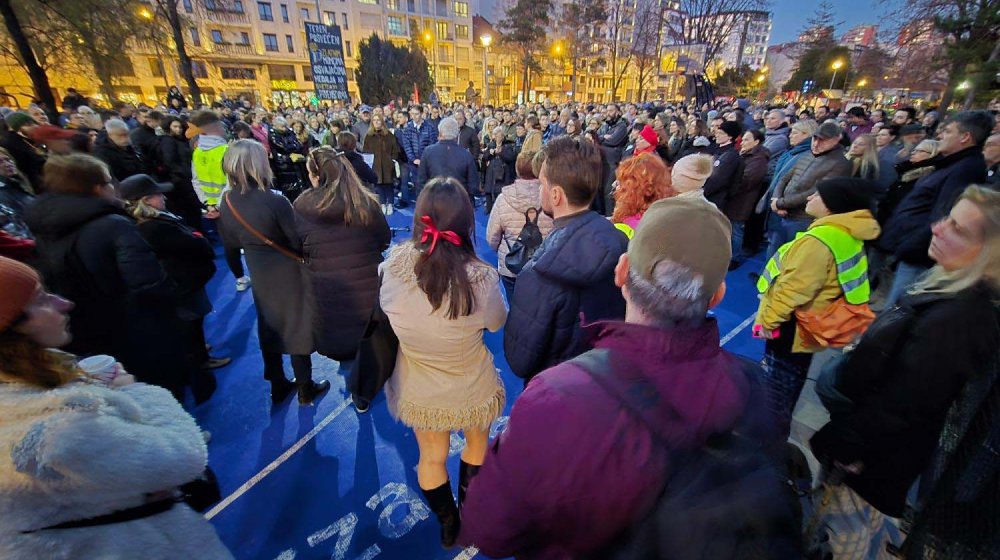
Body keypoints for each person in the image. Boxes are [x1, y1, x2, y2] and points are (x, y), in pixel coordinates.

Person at [460, 196, 791, 558]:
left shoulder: (556, 398)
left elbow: (489, 529)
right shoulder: (753, 386)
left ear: (621, 272)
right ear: (716, 297)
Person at [810, 185, 1000, 557]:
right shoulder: (948, 288)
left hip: (869, 455)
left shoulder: (959, 319)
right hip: (871, 439)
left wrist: (850, 443)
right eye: (947, 218)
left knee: (841, 533)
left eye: (958, 229)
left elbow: (907, 402)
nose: (938, 228)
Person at [0, 257, 233, 559]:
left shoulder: (20, 396)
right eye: (41, 299)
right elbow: (186, 456)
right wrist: (134, 392)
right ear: (9, 334)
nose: (63, 303)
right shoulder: (61, 431)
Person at [379, 177, 506, 548]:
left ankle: (449, 523)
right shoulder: (480, 277)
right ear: (466, 223)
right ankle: (472, 510)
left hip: (418, 385)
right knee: (477, 446)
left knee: (430, 457)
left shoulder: (393, 267)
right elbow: (496, 323)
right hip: (470, 385)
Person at [24, 154, 191, 399]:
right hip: (135, 325)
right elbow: (149, 283)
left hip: (87, 326)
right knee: (158, 384)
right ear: (98, 187)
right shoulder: (113, 225)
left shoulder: (45, 226)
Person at [754, 177, 880, 436]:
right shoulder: (843, 235)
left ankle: (766, 439)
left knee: (776, 385)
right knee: (791, 380)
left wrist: (767, 321)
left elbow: (793, 289)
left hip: (793, 327)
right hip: (811, 325)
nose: (810, 198)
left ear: (833, 204)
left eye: (817, 195)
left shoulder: (819, 241)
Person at [503, 137, 628, 381]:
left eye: (542, 184)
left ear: (557, 194)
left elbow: (520, 359)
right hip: (608, 377)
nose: (540, 191)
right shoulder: (622, 242)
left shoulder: (537, 273)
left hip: (554, 389)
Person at [218, 140, 329, 406]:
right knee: (296, 328)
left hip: (259, 273)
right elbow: (295, 240)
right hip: (288, 273)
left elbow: (230, 245)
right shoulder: (274, 200)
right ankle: (305, 388)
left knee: (269, 328)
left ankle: (277, 383)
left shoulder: (227, 201)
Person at [120, 174, 229, 404]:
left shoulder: (152, 222)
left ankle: (200, 351)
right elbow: (191, 244)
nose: (163, 197)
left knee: (194, 321)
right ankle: (199, 359)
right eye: (157, 194)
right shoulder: (153, 227)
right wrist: (198, 240)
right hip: (182, 283)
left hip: (185, 280)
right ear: (146, 200)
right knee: (191, 321)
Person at [878, 111, 994, 307]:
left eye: (948, 131)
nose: (940, 135)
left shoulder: (966, 169)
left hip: (919, 255)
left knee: (898, 310)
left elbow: (943, 213)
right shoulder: (953, 163)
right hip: (912, 249)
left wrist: (911, 246)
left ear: (965, 137)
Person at [294, 146, 389, 382]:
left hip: (329, 299)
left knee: (347, 356)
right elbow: (383, 240)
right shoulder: (366, 203)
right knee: (371, 352)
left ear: (316, 175)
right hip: (368, 300)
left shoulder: (301, 208)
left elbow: (296, 247)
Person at [769, 121, 853, 257]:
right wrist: (776, 199)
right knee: (774, 251)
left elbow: (816, 192)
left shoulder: (841, 163)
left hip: (803, 218)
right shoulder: (808, 154)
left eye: (823, 140)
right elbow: (784, 178)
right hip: (783, 213)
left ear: (836, 140)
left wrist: (780, 203)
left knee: (791, 256)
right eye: (815, 138)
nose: (816, 144)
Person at [486, 151, 555, 301]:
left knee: (514, 304)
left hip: (512, 264)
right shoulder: (552, 196)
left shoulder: (503, 198)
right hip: (543, 264)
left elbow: (492, 237)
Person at [728, 128, 770, 269]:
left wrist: (729, 182)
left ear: (756, 142)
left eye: (746, 140)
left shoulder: (758, 159)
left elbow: (747, 181)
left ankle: (734, 258)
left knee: (736, 230)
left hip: (742, 200)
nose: (742, 142)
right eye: (743, 139)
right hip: (734, 198)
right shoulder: (743, 154)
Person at [610, 152, 675, 239]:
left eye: (620, 183)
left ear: (633, 190)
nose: (615, 186)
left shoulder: (625, 229)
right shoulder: (669, 216)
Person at [418, 117, 480, 201]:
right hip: (459, 202)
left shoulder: (428, 152)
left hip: (435, 201)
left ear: (440, 133)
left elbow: (421, 182)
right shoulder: (466, 154)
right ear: (457, 134)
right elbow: (473, 186)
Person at [158, 116, 203, 230]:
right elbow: (170, 162)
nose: (178, 129)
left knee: (194, 210)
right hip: (181, 181)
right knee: (190, 210)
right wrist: (186, 173)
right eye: (175, 126)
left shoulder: (180, 140)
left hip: (186, 177)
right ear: (168, 127)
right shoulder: (167, 141)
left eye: (179, 127)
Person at [362, 113, 402, 215]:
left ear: (382, 122)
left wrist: (392, 160)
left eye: (378, 120)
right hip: (375, 165)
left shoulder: (389, 135)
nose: (376, 122)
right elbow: (365, 151)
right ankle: (383, 203)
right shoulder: (369, 136)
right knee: (379, 186)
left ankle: (390, 204)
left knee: (389, 186)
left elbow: (395, 149)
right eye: (374, 120)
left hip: (388, 165)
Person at [703, 120, 744, 211]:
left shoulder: (730, 156)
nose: (717, 135)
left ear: (730, 136)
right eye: (717, 132)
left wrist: (700, 192)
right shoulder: (718, 151)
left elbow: (717, 180)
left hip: (715, 200)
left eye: (721, 133)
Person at [1, 112, 45, 192]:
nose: (35, 126)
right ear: (17, 129)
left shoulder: (31, 140)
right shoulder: (13, 144)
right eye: (28, 124)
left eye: (33, 123)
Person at [402, 105, 437, 202]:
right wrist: (414, 159)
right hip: (413, 163)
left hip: (427, 162)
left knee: (429, 185)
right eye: (412, 114)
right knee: (418, 185)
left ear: (421, 114)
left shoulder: (429, 127)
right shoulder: (407, 128)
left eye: (416, 114)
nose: (414, 116)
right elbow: (407, 145)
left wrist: (424, 159)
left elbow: (432, 144)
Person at [481, 125, 517, 213]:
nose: (497, 137)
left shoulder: (508, 145)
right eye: (495, 135)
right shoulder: (491, 144)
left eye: (499, 135)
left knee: (500, 191)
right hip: (492, 169)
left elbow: (511, 157)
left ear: (503, 136)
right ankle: (488, 208)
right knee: (488, 189)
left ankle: (501, 209)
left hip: (504, 171)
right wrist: (490, 153)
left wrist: (500, 152)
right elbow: (484, 157)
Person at [0, 147, 35, 220]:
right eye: (0, 162)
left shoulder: (15, 182)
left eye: (8, 159)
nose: (8, 164)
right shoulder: (2, 193)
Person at [130, 110, 165, 179]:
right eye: (159, 123)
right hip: (150, 168)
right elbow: (139, 151)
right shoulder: (138, 134)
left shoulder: (157, 132)